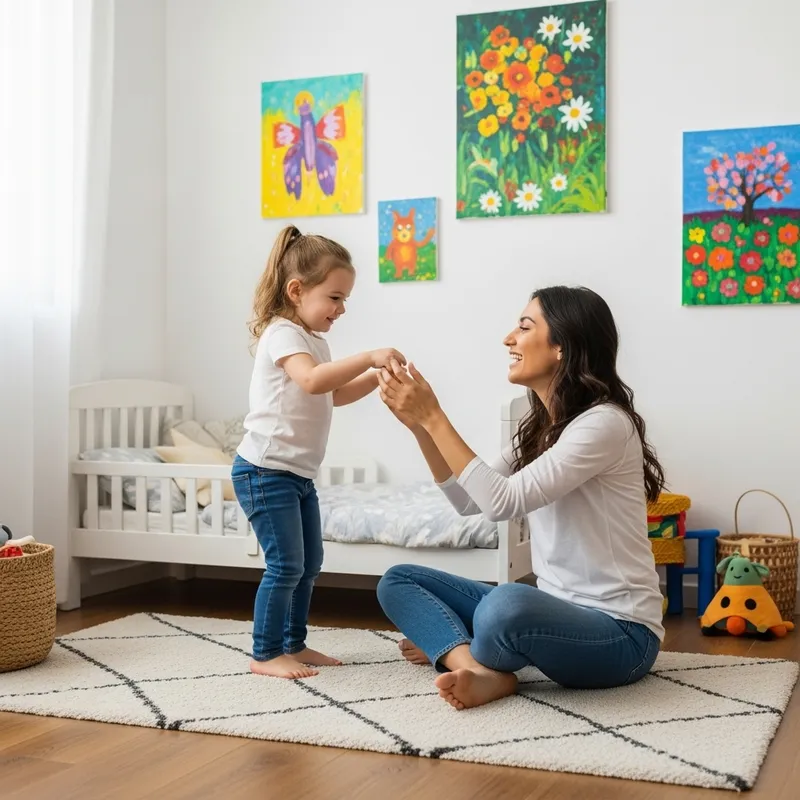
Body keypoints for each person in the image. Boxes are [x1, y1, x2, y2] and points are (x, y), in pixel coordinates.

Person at [376, 286, 665, 710]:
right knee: (398, 580)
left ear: (563, 346)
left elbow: (501, 502)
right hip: (553, 612)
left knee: (506, 603)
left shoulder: (603, 424)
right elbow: (466, 500)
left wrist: (434, 416)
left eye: (524, 327)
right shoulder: (541, 428)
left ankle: (460, 648)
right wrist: (419, 426)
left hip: (621, 636)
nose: (508, 338)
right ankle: (475, 667)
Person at [233, 225, 405, 679]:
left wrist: (376, 377)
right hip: (264, 471)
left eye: (345, 299)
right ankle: (265, 653)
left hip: (296, 474)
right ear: (296, 290)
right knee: (286, 564)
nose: (341, 308)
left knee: (309, 564)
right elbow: (312, 380)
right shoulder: (282, 333)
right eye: (334, 297)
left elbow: (330, 393)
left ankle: (294, 644)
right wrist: (369, 356)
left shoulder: (315, 341)